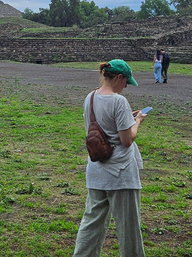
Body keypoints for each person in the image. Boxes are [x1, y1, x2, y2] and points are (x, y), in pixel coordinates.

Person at [73, 59, 147, 257]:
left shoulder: (90, 97)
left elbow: (99, 130)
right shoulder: (119, 101)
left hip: (97, 170)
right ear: (119, 78)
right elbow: (126, 140)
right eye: (126, 82)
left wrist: (125, 119)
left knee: (91, 225)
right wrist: (137, 121)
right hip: (121, 173)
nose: (126, 87)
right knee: (128, 229)